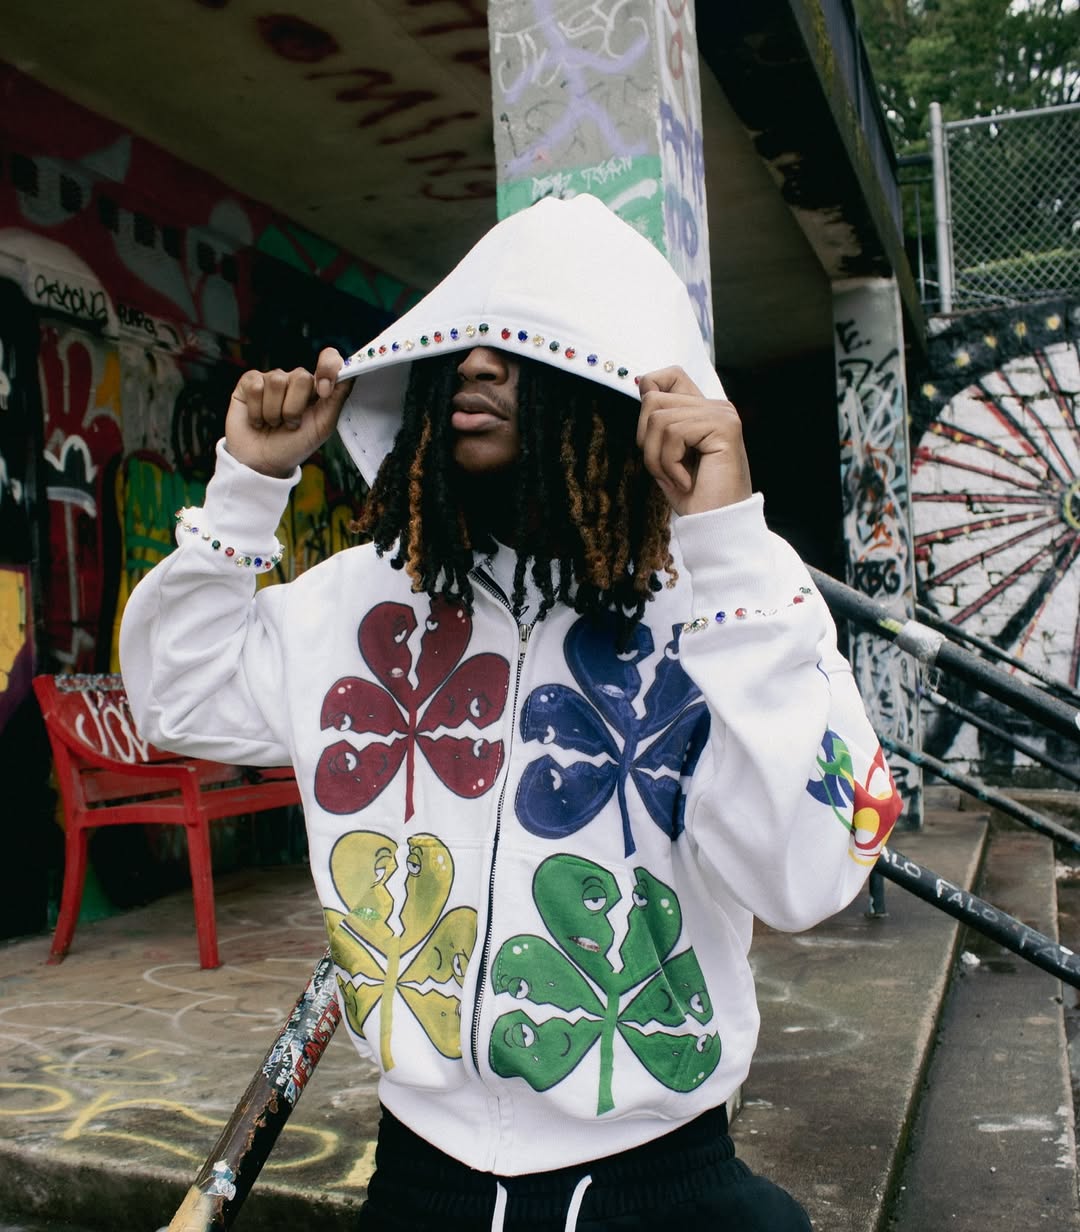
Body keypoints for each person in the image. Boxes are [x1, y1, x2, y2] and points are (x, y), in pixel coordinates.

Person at [120, 193, 901, 1231]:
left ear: (623, 391)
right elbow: (177, 696)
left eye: (525, 347)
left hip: (663, 1187)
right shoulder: (358, 600)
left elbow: (808, 874)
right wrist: (246, 490)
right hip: (420, 1187)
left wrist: (733, 552)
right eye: (461, 346)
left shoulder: (734, 606)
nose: (478, 366)